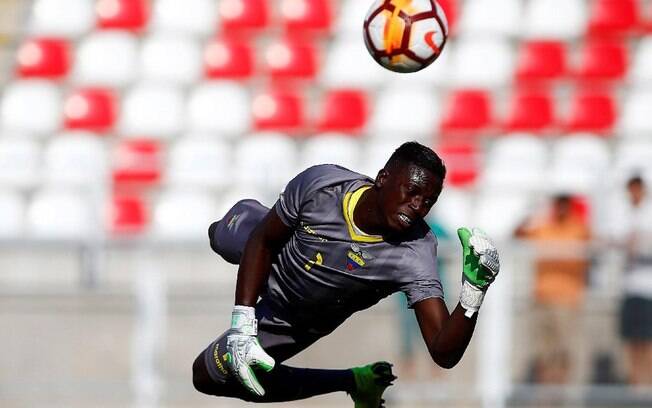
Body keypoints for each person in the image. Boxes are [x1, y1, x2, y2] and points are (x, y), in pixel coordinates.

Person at [192, 141, 500, 406]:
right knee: (219, 234)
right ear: (383, 178)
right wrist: (242, 323)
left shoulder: (415, 251)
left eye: (428, 201)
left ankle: (354, 382)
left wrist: (474, 292)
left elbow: (443, 353)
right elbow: (264, 240)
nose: (417, 205)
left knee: (207, 377)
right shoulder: (323, 184)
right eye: (412, 191)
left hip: (295, 317)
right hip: (270, 254)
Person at [514, 194, 591, 385]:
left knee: (562, 351)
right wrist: (529, 213)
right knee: (543, 352)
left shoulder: (579, 228)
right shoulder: (544, 226)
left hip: (567, 299)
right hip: (542, 298)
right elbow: (517, 234)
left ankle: (560, 393)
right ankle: (545, 397)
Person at [610, 175, 652, 386]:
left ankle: (647, 385)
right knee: (631, 340)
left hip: (647, 288)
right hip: (628, 286)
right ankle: (635, 386)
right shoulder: (623, 215)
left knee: (647, 340)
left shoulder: (648, 215)